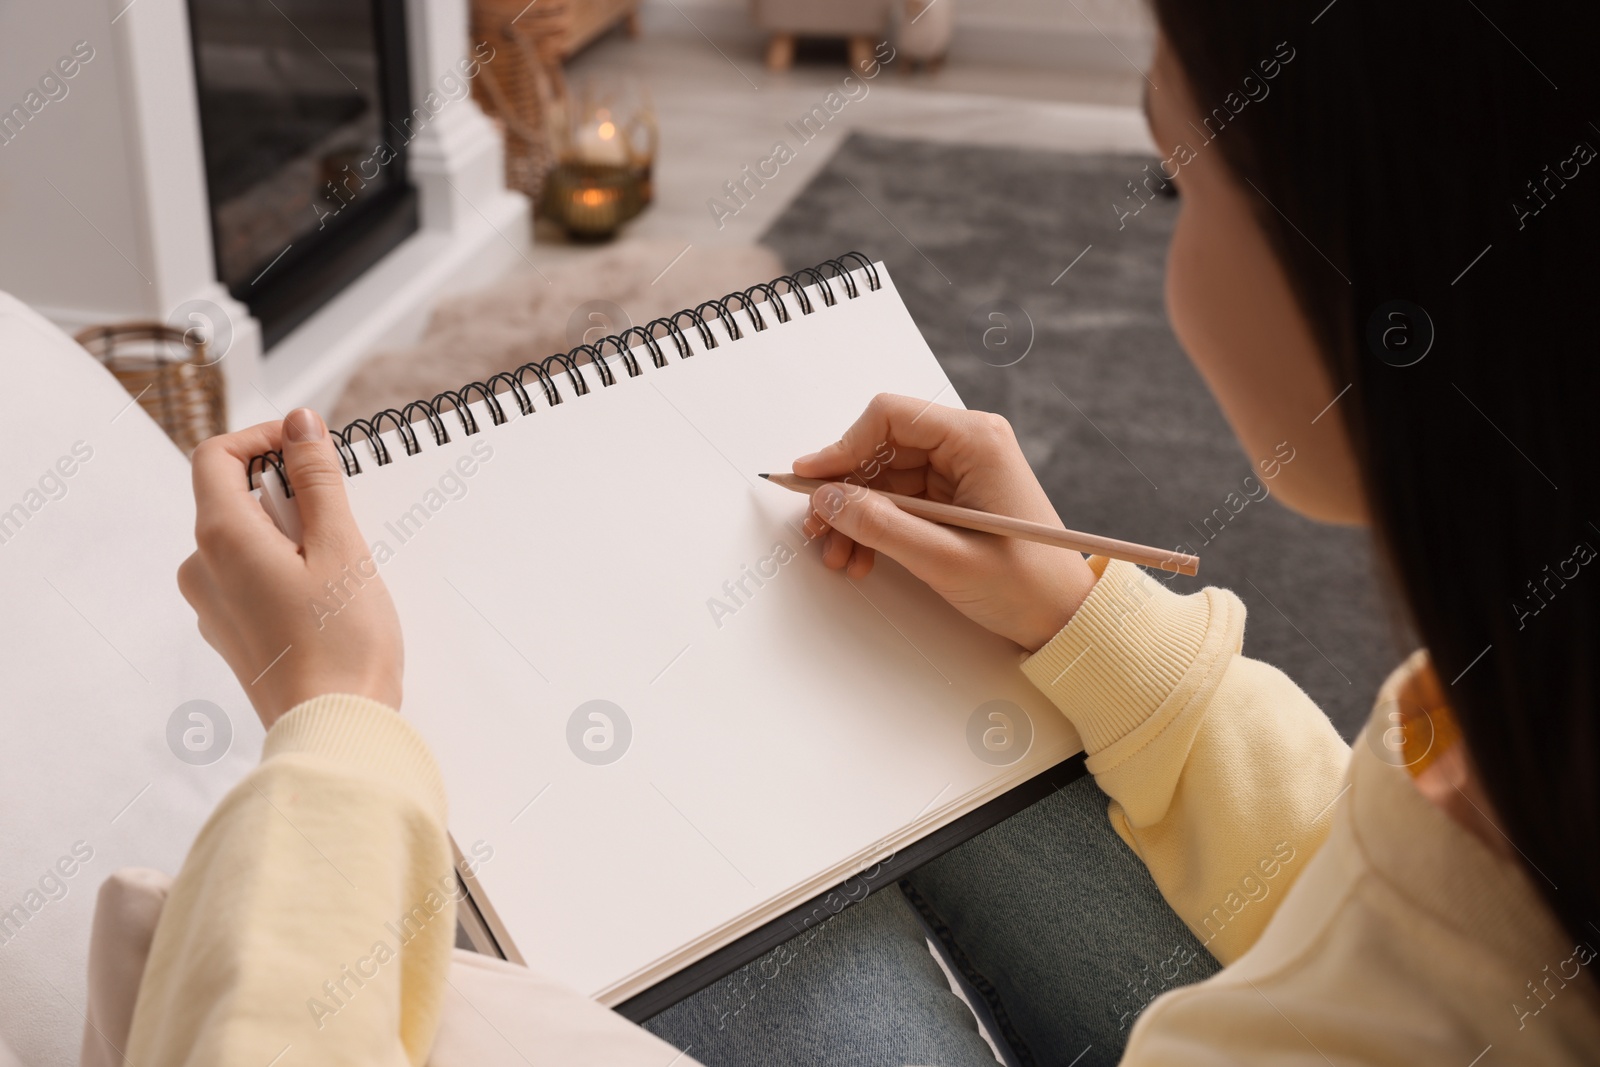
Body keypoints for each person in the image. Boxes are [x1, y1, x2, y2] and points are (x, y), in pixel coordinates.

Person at [123, 1, 1600, 1063]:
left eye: (1175, 181)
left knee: (708, 899)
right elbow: (1385, 878)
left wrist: (328, 731)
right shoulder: (1520, 750)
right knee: (971, 733)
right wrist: (1094, 626)